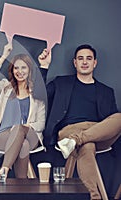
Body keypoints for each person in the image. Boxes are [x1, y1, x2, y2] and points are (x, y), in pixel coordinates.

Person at [38, 44, 121, 199]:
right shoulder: (61, 83)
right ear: (74, 62)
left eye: (88, 58)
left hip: (95, 133)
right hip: (69, 131)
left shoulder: (106, 91)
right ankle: (94, 197)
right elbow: (39, 95)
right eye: (80, 58)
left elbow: (111, 124)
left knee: (119, 118)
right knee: (87, 146)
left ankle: (75, 141)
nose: (84, 62)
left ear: (94, 63)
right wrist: (44, 66)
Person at [0, 42, 46, 178]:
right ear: (12, 70)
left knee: (20, 131)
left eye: (23, 67)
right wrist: (4, 55)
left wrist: (21, 128)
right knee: (23, 145)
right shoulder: (6, 88)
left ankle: (4, 170)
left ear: (29, 70)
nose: (20, 71)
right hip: (3, 136)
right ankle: (21, 186)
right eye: (16, 68)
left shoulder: (37, 93)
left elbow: (41, 124)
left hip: (30, 134)